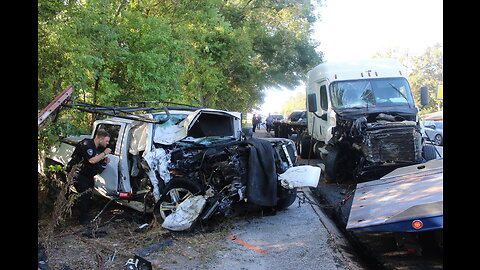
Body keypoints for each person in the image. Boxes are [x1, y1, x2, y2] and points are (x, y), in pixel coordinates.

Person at [66, 129, 112, 224]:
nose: (107, 143)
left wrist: (104, 162)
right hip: (78, 173)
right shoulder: (87, 144)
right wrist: (105, 153)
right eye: (106, 141)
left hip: (87, 175)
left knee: (88, 195)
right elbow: (92, 160)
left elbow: (96, 163)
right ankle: (82, 219)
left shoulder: (97, 148)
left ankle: (83, 215)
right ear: (100, 139)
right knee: (84, 195)